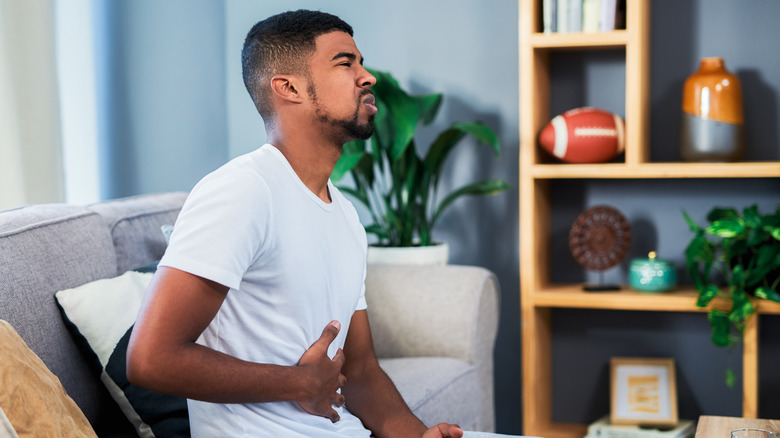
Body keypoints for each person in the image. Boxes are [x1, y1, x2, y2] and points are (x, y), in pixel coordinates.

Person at [126, 9, 464, 438]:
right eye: (346, 63)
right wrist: (300, 383)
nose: (368, 77)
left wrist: (419, 436)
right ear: (289, 87)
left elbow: (359, 369)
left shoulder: (344, 215)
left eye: (360, 61)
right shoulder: (242, 191)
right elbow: (151, 358)